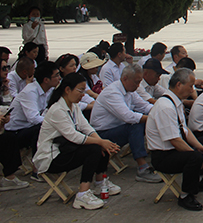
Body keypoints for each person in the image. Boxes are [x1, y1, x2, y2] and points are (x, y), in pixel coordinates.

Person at [33, 72, 122, 209]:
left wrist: (102, 142)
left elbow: (86, 127)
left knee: (101, 145)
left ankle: (100, 183)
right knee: (94, 148)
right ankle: (82, 194)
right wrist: (99, 142)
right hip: (51, 158)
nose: (82, 94)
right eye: (80, 90)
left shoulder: (73, 106)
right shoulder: (57, 110)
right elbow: (74, 136)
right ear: (67, 90)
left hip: (65, 149)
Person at [146, 68, 203, 211]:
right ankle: (186, 195)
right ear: (179, 85)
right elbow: (175, 140)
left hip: (174, 150)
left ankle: (198, 179)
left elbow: (185, 130)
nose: (192, 90)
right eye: (190, 86)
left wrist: (200, 147)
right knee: (195, 157)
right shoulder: (165, 107)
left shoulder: (175, 102)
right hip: (163, 156)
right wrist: (196, 153)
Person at [90, 64, 161, 182]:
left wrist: (159, 112)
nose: (138, 85)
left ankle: (159, 154)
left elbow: (144, 106)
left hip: (117, 129)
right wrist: (153, 118)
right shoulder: (112, 92)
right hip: (102, 134)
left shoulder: (130, 90)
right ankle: (142, 168)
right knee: (136, 125)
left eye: (139, 82)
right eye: (136, 82)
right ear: (125, 78)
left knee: (144, 121)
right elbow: (127, 116)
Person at [5, 61, 62, 171]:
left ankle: (52, 159)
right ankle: (38, 168)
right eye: (56, 75)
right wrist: (55, 122)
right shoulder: (30, 91)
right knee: (42, 128)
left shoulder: (49, 90)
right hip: (16, 132)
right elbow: (33, 118)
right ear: (46, 80)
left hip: (28, 128)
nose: (59, 78)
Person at [0, 56, 30, 191]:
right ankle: (9, 176)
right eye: (3, 68)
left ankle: (9, 176)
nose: (7, 70)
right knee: (8, 139)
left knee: (9, 138)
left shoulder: (3, 85)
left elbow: (7, 106)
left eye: (7, 67)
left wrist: (6, 89)